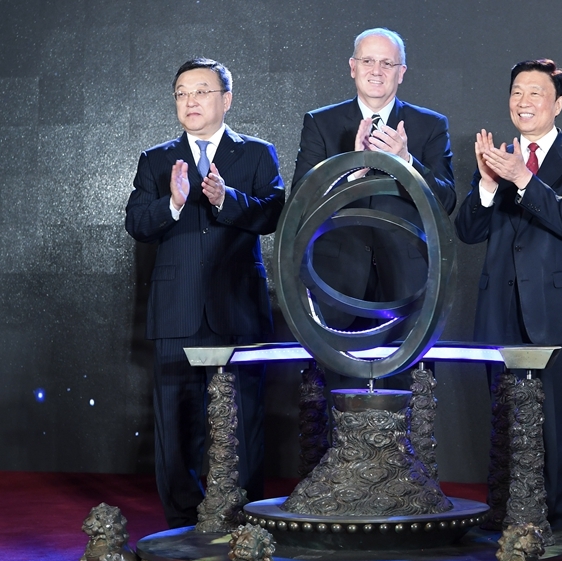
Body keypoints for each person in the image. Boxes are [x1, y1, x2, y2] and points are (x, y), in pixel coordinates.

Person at [125, 58, 285, 528]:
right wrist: (173, 203)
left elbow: (273, 214)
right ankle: (182, 523)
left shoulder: (257, 153)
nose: (190, 101)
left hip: (238, 308)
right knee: (176, 424)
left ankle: (245, 523)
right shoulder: (156, 159)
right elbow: (137, 223)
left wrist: (224, 199)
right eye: (182, 93)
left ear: (226, 99)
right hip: (176, 310)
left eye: (201, 91)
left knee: (243, 420)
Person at [455, 59, 562, 536]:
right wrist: (486, 184)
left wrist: (523, 178)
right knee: (504, 423)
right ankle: (505, 521)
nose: (523, 101)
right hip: (498, 313)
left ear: (557, 104)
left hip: (556, 315)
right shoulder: (498, 158)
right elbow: (468, 231)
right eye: (517, 91)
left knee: (558, 426)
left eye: (535, 93)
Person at [291, 28, 455, 361]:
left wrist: (407, 162)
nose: (376, 70)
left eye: (386, 63)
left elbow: (446, 202)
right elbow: (300, 203)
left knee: (409, 385)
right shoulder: (321, 123)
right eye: (368, 61)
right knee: (339, 384)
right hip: (337, 280)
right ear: (353, 67)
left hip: (407, 280)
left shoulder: (430, 125)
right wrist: (353, 169)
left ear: (401, 72)